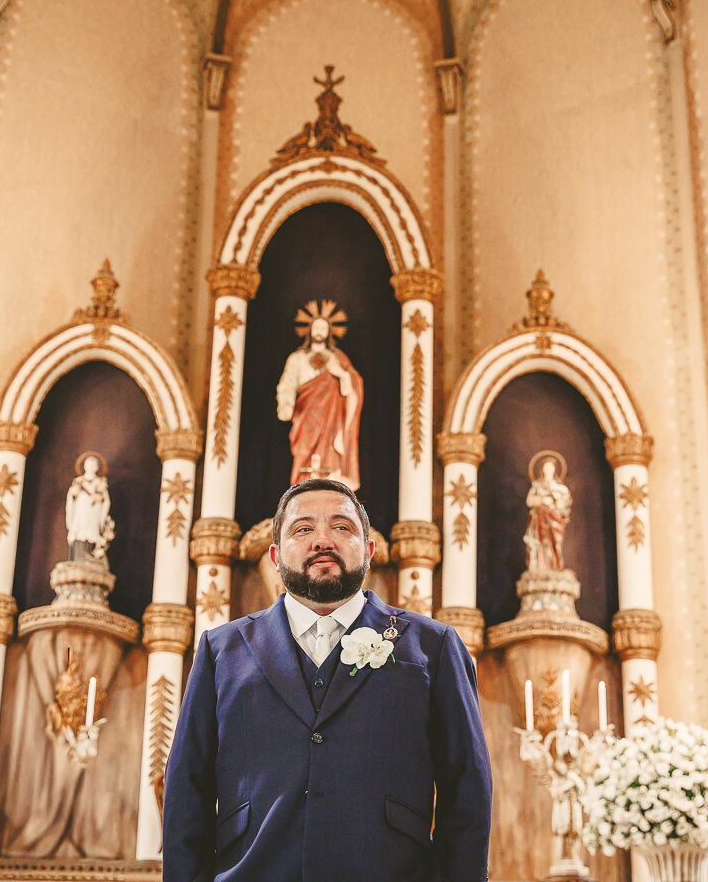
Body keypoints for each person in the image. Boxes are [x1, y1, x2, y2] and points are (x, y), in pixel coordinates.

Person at [162, 478, 491, 882]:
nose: (323, 540)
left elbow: (467, 790)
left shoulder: (434, 647)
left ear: (368, 551)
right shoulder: (221, 650)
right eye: (303, 529)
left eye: (342, 527)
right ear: (276, 556)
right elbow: (187, 791)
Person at [276, 304, 364, 490]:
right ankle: (301, 493)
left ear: (329, 332)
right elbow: (287, 384)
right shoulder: (297, 358)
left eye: (323, 328)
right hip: (306, 416)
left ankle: (330, 490)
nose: (319, 331)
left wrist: (340, 373)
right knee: (303, 454)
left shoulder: (337, 358)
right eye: (316, 327)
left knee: (330, 458)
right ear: (309, 331)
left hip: (331, 419)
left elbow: (352, 388)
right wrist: (285, 404)